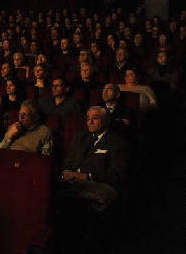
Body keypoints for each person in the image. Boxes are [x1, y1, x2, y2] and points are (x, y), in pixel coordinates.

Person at [53, 106, 130, 253]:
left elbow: (117, 174)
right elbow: (67, 163)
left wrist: (88, 176)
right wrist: (65, 173)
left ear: (107, 121)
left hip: (97, 185)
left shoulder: (117, 142)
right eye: (88, 118)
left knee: (72, 206)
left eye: (95, 118)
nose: (90, 121)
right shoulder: (80, 136)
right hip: (71, 182)